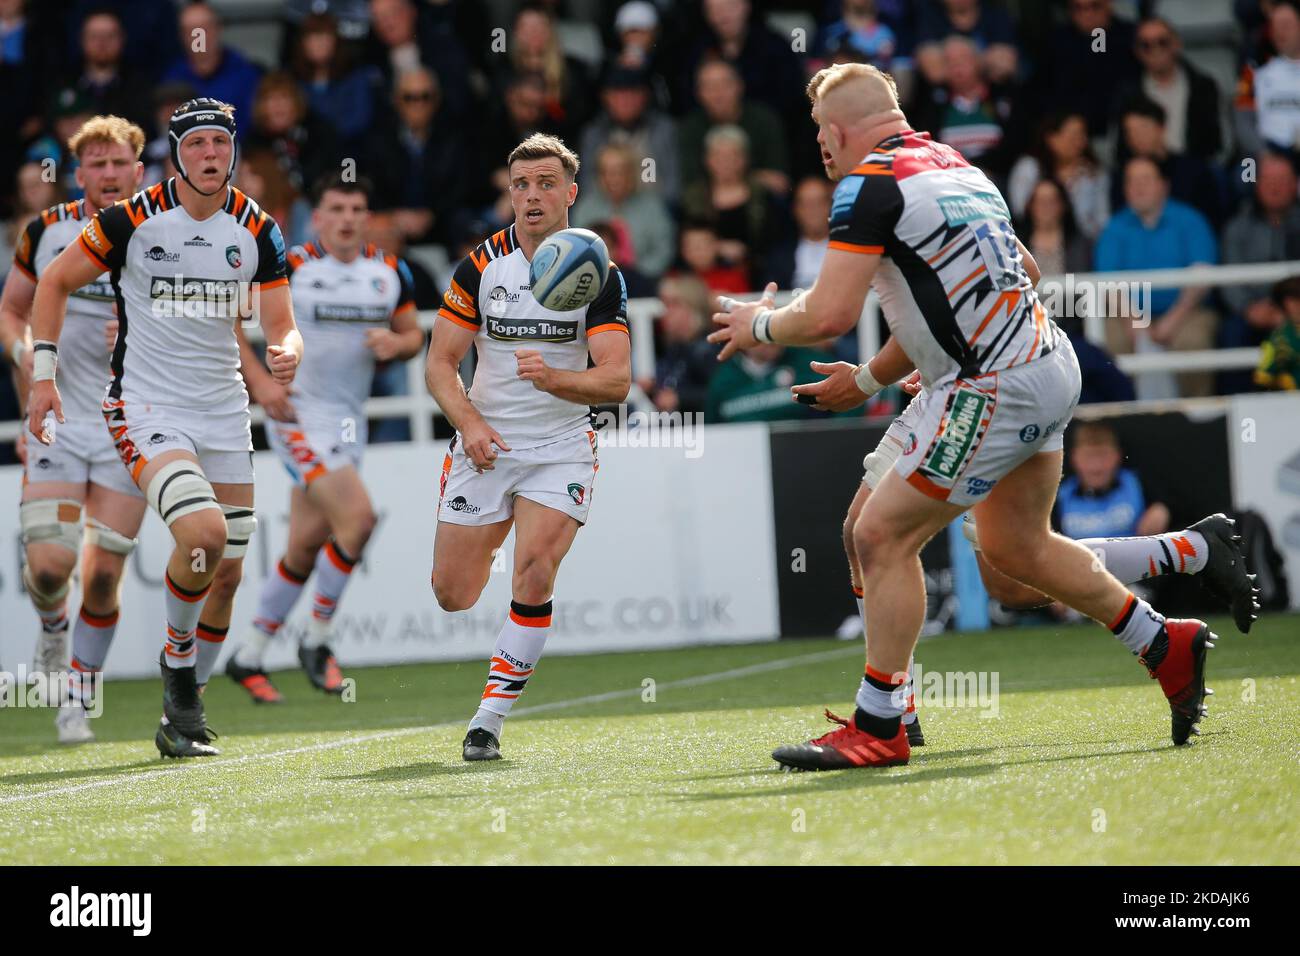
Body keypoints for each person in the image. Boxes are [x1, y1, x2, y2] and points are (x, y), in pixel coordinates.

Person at [710, 63, 1222, 770]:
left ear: (840, 129)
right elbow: (1023, 276)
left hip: (990, 385)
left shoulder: (868, 185)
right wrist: (892, 366)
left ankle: (882, 722)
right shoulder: (958, 168)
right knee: (1016, 553)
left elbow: (827, 313)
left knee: (878, 533)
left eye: (820, 132)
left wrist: (760, 325)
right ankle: (1166, 643)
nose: (820, 148)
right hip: (1045, 363)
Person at [25, 98, 302, 758]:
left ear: (234, 150)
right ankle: (178, 671)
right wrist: (42, 375)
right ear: (175, 154)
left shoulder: (258, 228)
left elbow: (281, 320)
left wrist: (288, 348)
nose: (211, 154)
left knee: (226, 573)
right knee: (201, 534)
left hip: (224, 413)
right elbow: (54, 283)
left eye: (221, 143)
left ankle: (182, 716)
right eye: (197, 143)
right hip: (147, 408)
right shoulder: (132, 220)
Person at [425, 134, 631, 762]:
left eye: (546, 183)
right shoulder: (482, 265)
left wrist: (556, 379)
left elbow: (616, 380)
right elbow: (439, 363)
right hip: (486, 445)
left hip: (562, 446)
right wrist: (471, 426)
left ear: (571, 192)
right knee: (452, 593)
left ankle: (487, 721)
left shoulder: (598, 270)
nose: (532, 196)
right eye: (521, 185)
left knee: (536, 572)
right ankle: (489, 538)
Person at [226, 173, 423, 702]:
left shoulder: (388, 272)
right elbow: (230, 321)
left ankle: (248, 655)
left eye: (356, 209)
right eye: (336, 208)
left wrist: (396, 344)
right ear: (318, 217)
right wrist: (262, 383)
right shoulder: (291, 265)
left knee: (306, 545)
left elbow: (414, 336)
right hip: (297, 418)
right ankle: (317, 638)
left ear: (368, 218)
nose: (346, 219)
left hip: (347, 423)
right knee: (358, 519)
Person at [0, 115, 148, 744]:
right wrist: (29, 360)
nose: (110, 175)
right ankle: (53, 630)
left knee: (107, 573)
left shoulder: (162, 230)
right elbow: (11, 310)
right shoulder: (47, 230)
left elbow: (211, 318)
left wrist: (144, 334)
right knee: (53, 566)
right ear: (79, 172)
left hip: (129, 423)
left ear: (139, 170)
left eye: (121, 164)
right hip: (58, 421)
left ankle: (75, 702)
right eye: (98, 165)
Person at [1094, 156, 1219, 399]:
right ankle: (1121, 421)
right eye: (1132, 181)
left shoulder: (1190, 220)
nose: (1138, 187)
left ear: (1164, 185)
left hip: (1187, 312)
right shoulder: (1114, 227)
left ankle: (1199, 423)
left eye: (1146, 180)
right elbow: (1108, 282)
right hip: (1127, 314)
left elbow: (1202, 274)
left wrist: (1172, 320)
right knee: (1109, 348)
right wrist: (1135, 321)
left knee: (1192, 343)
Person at [1119, 17, 1223, 161]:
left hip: (1194, 168)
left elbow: (1218, 142)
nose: (1155, 50)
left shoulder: (1203, 87)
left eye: (1162, 42)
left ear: (1176, 44)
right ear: (1137, 51)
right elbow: (1119, 149)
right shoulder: (1128, 94)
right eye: (1146, 45)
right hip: (1144, 170)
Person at [1255, 275, 1300, 390]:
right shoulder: (1278, 339)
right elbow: (1263, 378)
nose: (1296, 306)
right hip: (1289, 401)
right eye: (1293, 301)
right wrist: (1283, 379)